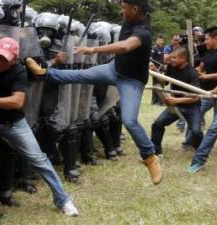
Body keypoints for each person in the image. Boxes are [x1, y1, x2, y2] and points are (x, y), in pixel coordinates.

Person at [26, 0, 163, 185]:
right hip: (115, 68)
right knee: (80, 75)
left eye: (124, 8)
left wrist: (93, 49)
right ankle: (45, 72)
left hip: (131, 81)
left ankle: (150, 157)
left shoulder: (143, 32)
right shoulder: (132, 19)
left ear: (135, 9)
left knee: (130, 120)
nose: (121, 11)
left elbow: (125, 46)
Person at [0, 37, 79, 216]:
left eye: (4, 59)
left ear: (14, 59)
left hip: (14, 123)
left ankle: (63, 200)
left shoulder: (19, 71)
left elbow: (17, 102)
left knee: (39, 160)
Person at [151, 47, 203, 157]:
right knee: (157, 124)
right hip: (176, 105)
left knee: (196, 132)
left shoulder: (192, 73)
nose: (171, 60)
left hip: (191, 107)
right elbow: (165, 82)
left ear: (183, 58)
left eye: (174, 58)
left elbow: (196, 97)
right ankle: (156, 152)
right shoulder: (172, 67)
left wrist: (176, 100)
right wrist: (155, 71)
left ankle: (200, 154)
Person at [182, 26, 217, 152]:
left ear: (216, 38)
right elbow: (203, 64)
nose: (205, 41)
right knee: (194, 114)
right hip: (205, 92)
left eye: (207, 39)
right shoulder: (209, 51)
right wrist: (198, 71)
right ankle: (189, 143)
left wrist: (207, 76)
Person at [151, 35, 165, 105]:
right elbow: (150, 59)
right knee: (157, 85)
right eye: (159, 40)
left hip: (161, 69)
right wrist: (154, 68)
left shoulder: (162, 49)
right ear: (156, 41)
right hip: (155, 69)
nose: (160, 41)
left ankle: (159, 101)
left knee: (161, 85)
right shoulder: (154, 48)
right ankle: (156, 101)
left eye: (161, 40)